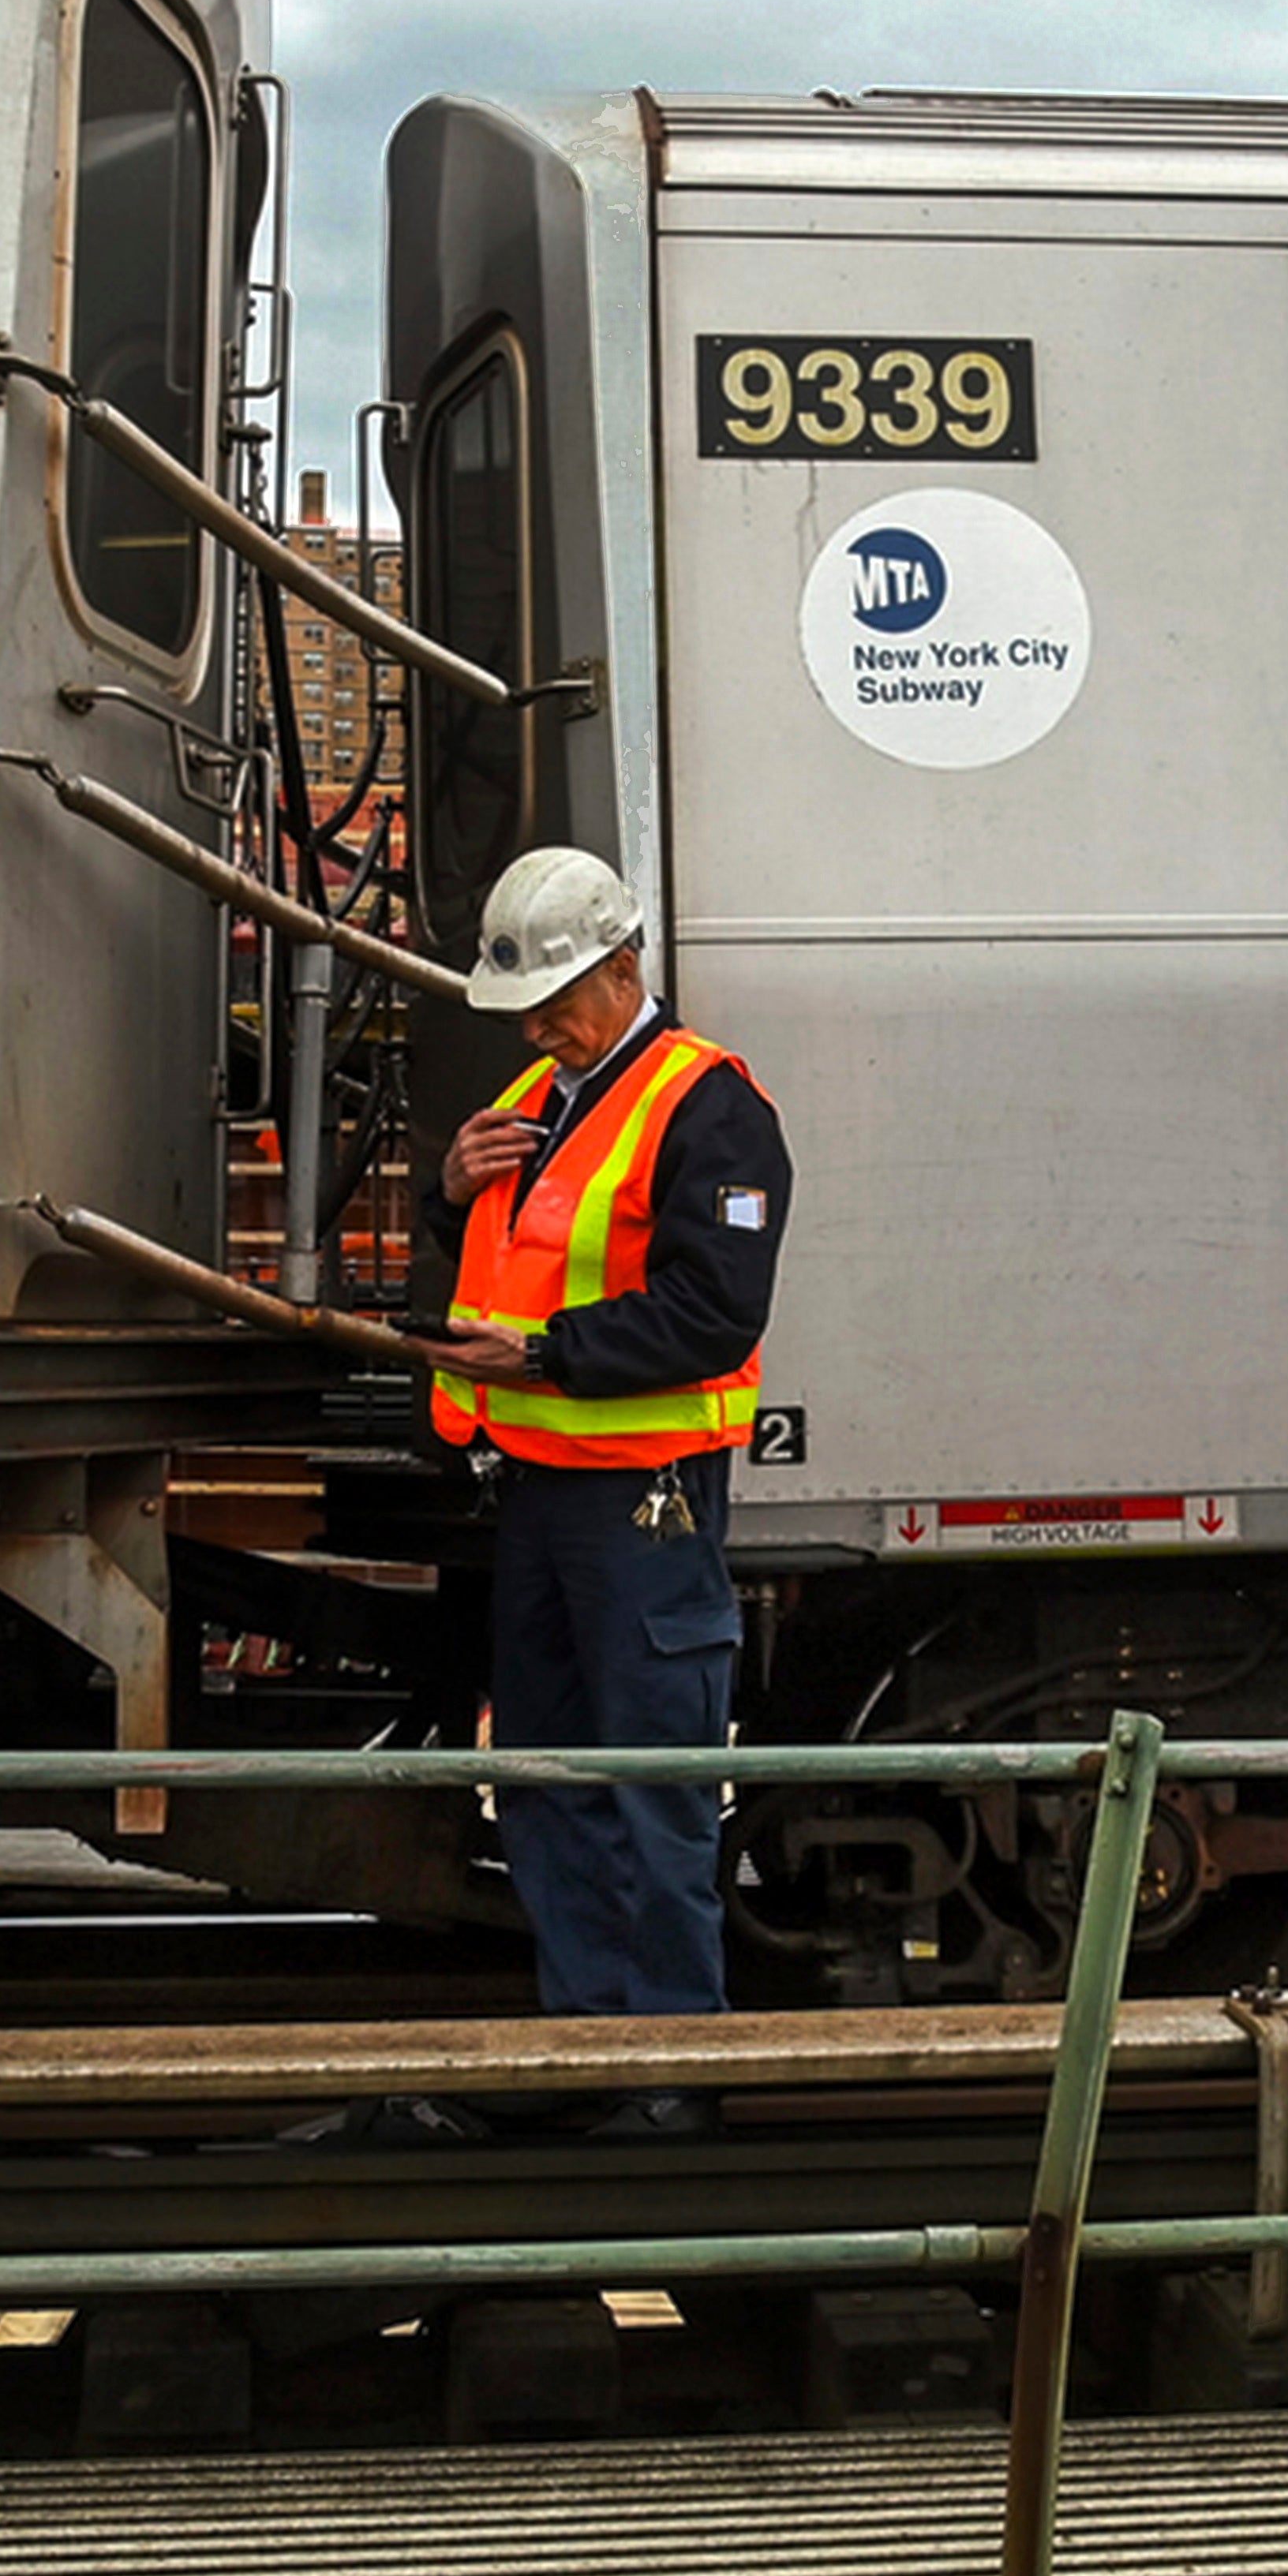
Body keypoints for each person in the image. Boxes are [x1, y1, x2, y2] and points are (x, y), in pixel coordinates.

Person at [409, 846, 788, 2142]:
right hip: (544, 1490)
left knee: (652, 1779)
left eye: (563, 995)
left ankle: (672, 2071)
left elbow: (714, 1311)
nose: (540, 1021)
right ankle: (587, 2042)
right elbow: (497, 1270)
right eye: (527, 1003)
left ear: (629, 966)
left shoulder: (709, 1106)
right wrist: (443, 1194)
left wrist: (550, 1357)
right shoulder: (538, 1096)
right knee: (546, 1776)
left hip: (645, 1497)